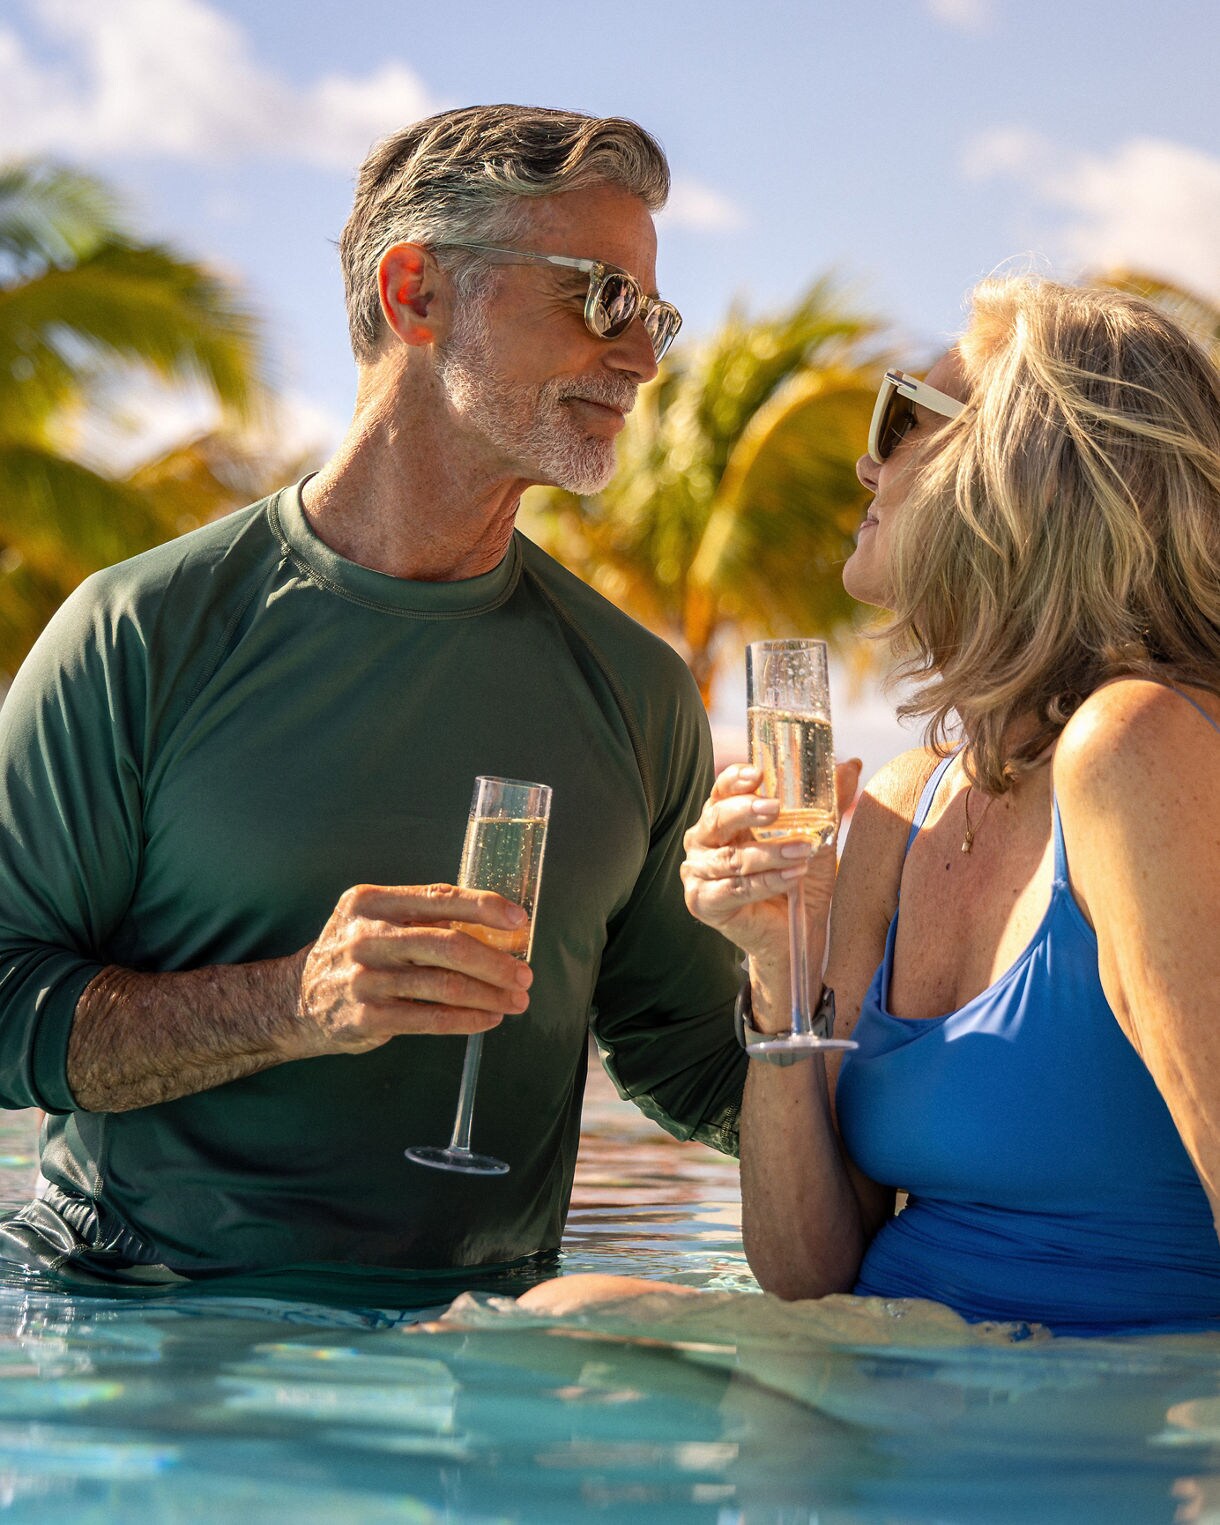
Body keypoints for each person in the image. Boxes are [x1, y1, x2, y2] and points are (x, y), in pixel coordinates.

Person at [0, 104, 745, 1298]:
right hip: (139, 1341)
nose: (641, 357)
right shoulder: (140, 634)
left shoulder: (637, 692)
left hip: (477, 1367)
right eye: (600, 297)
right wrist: (290, 1002)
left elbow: (702, 1064)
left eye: (651, 314)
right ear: (415, 294)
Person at [521, 275, 1220, 1336]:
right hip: (906, 1375)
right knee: (554, 1314)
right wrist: (773, 958)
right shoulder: (904, 804)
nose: (864, 459)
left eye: (902, 417)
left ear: (1032, 467)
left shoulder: (1139, 750)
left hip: (1087, 1405)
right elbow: (805, 1269)